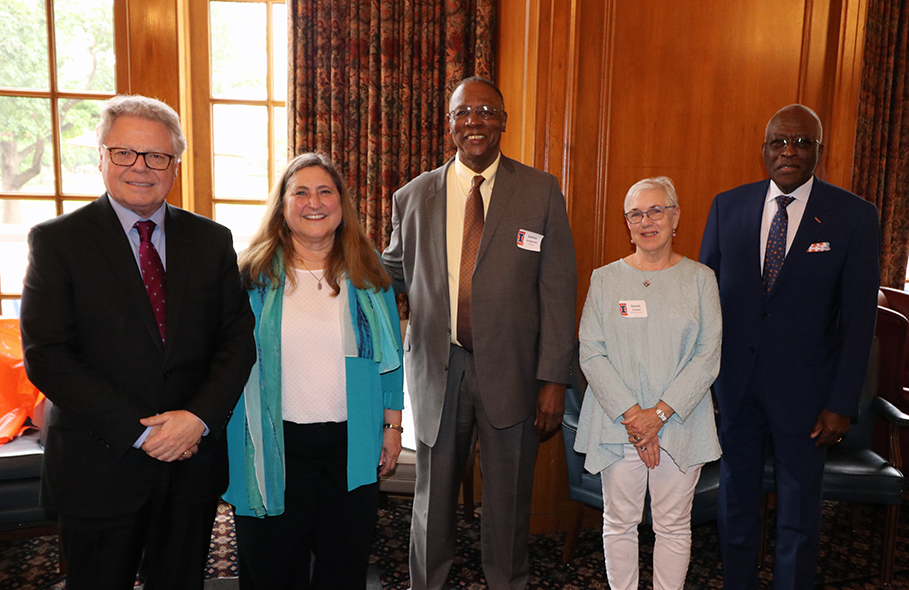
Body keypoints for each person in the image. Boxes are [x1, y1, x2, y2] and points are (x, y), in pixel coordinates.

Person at [19, 95, 256, 590]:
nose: (141, 168)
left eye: (157, 156)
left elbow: (236, 340)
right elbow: (49, 357)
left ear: (175, 165)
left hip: (191, 464)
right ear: (102, 157)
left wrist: (197, 419)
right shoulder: (58, 241)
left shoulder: (211, 240)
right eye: (125, 153)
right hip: (99, 465)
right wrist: (144, 433)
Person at [382, 76, 577, 590]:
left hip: (513, 374)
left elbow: (558, 291)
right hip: (437, 371)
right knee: (432, 502)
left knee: (510, 502)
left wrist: (554, 378)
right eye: (463, 113)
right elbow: (391, 272)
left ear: (503, 121)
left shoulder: (539, 191)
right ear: (449, 123)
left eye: (486, 112)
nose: (475, 122)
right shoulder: (413, 196)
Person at [699, 104, 880, 589]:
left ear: (819, 151)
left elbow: (859, 321)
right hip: (734, 390)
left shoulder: (855, 217)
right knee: (735, 502)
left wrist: (841, 403)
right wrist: (705, 385)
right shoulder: (727, 207)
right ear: (763, 150)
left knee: (799, 511)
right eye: (779, 141)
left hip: (807, 397)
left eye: (802, 142)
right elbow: (704, 303)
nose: (789, 151)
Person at [223, 152, 404, 589]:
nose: (314, 202)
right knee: (271, 568)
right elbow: (223, 359)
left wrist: (393, 426)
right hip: (272, 444)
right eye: (299, 192)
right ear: (282, 206)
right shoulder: (251, 276)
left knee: (342, 569)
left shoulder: (368, 272)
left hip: (351, 444)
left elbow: (391, 357)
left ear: (341, 205)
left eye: (325, 191)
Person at [574, 176, 721, 590]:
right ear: (627, 223)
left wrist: (657, 415)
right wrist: (635, 417)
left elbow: (707, 358)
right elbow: (591, 352)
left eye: (656, 210)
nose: (647, 221)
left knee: (673, 525)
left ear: (675, 217)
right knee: (619, 521)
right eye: (636, 213)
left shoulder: (701, 279)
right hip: (618, 422)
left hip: (680, 422)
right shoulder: (605, 280)